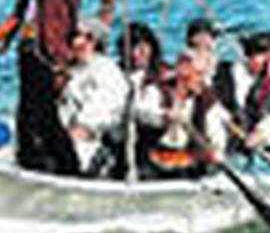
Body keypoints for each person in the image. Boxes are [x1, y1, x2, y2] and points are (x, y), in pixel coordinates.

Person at [14, 0, 86, 174]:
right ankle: (28, 163)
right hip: (30, 47)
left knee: (46, 117)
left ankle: (70, 169)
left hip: (50, 52)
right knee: (26, 114)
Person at [58, 17, 131, 177]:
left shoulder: (106, 71)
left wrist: (81, 128)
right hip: (67, 138)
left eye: (79, 36)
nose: (75, 42)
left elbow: (104, 111)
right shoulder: (72, 71)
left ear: (93, 41)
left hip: (90, 148)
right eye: (74, 36)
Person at [140, 54, 233, 179]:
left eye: (203, 75)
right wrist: (164, 117)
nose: (201, 80)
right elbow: (143, 113)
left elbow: (216, 132)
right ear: (182, 69)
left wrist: (216, 151)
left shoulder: (207, 99)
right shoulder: (157, 89)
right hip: (153, 163)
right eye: (198, 74)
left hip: (188, 165)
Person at [117, 22, 168, 177]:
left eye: (142, 48)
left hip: (155, 137)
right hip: (125, 136)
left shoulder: (163, 74)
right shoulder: (117, 75)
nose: (137, 54)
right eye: (133, 48)